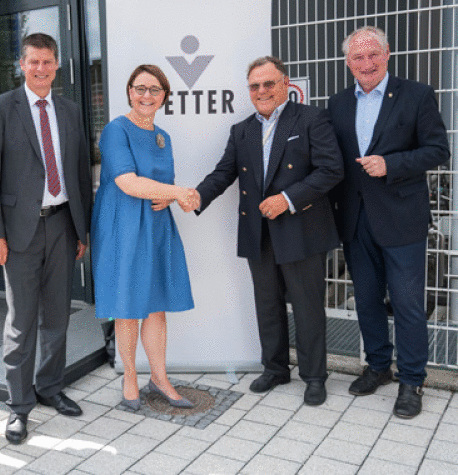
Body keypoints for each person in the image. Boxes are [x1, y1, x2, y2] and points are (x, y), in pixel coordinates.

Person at [190, 56, 344, 406]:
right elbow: (223, 172)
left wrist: (287, 199)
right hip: (258, 232)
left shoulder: (311, 119)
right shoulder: (241, 129)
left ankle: (314, 376)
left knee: (307, 307)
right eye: (255, 86)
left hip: (300, 228)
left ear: (285, 84)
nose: (262, 91)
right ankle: (275, 369)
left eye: (268, 83)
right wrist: (198, 195)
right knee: (267, 305)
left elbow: (331, 170)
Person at [0, 33, 92, 443]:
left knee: (57, 315)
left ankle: (51, 387)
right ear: (21, 65)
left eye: (48, 62)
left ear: (57, 65)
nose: (41, 69)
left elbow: (79, 172)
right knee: (21, 323)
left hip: (62, 225)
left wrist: (83, 229)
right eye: (33, 62)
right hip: (19, 232)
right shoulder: (0, 108)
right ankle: (18, 406)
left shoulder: (70, 110)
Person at [328, 26, 450, 418]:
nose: (366, 63)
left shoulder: (416, 95)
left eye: (373, 55)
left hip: (402, 218)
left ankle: (412, 379)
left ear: (387, 54)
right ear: (348, 62)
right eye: (357, 58)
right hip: (355, 218)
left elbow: (438, 150)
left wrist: (392, 164)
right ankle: (378, 366)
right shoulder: (338, 103)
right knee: (366, 299)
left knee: (408, 303)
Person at [91, 64, 197, 410]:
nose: (146, 95)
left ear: (164, 96)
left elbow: (161, 183)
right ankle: (130, 378)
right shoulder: (115, 130)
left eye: (154, 89)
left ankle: (159, 377)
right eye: (140, 88)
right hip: (123, 225)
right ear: (129, 92)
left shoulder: (162, 135)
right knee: (127, 307)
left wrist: (171, 196)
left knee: (155, 307)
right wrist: (179, 191)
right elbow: (127, 181)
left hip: (155, 224)